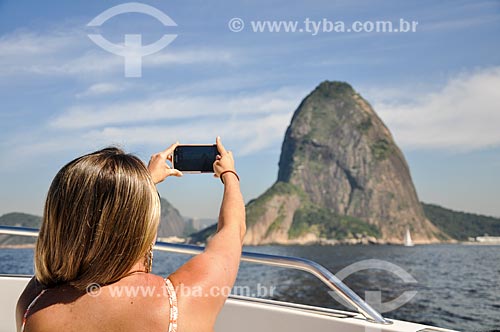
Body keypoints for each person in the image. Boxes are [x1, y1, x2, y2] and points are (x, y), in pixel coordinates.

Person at [16, 136, 246, 332]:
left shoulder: (33, 306)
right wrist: (229, 173)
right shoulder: (178, 304)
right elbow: (232, 230)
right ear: (143, 221)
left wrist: (141, 186)